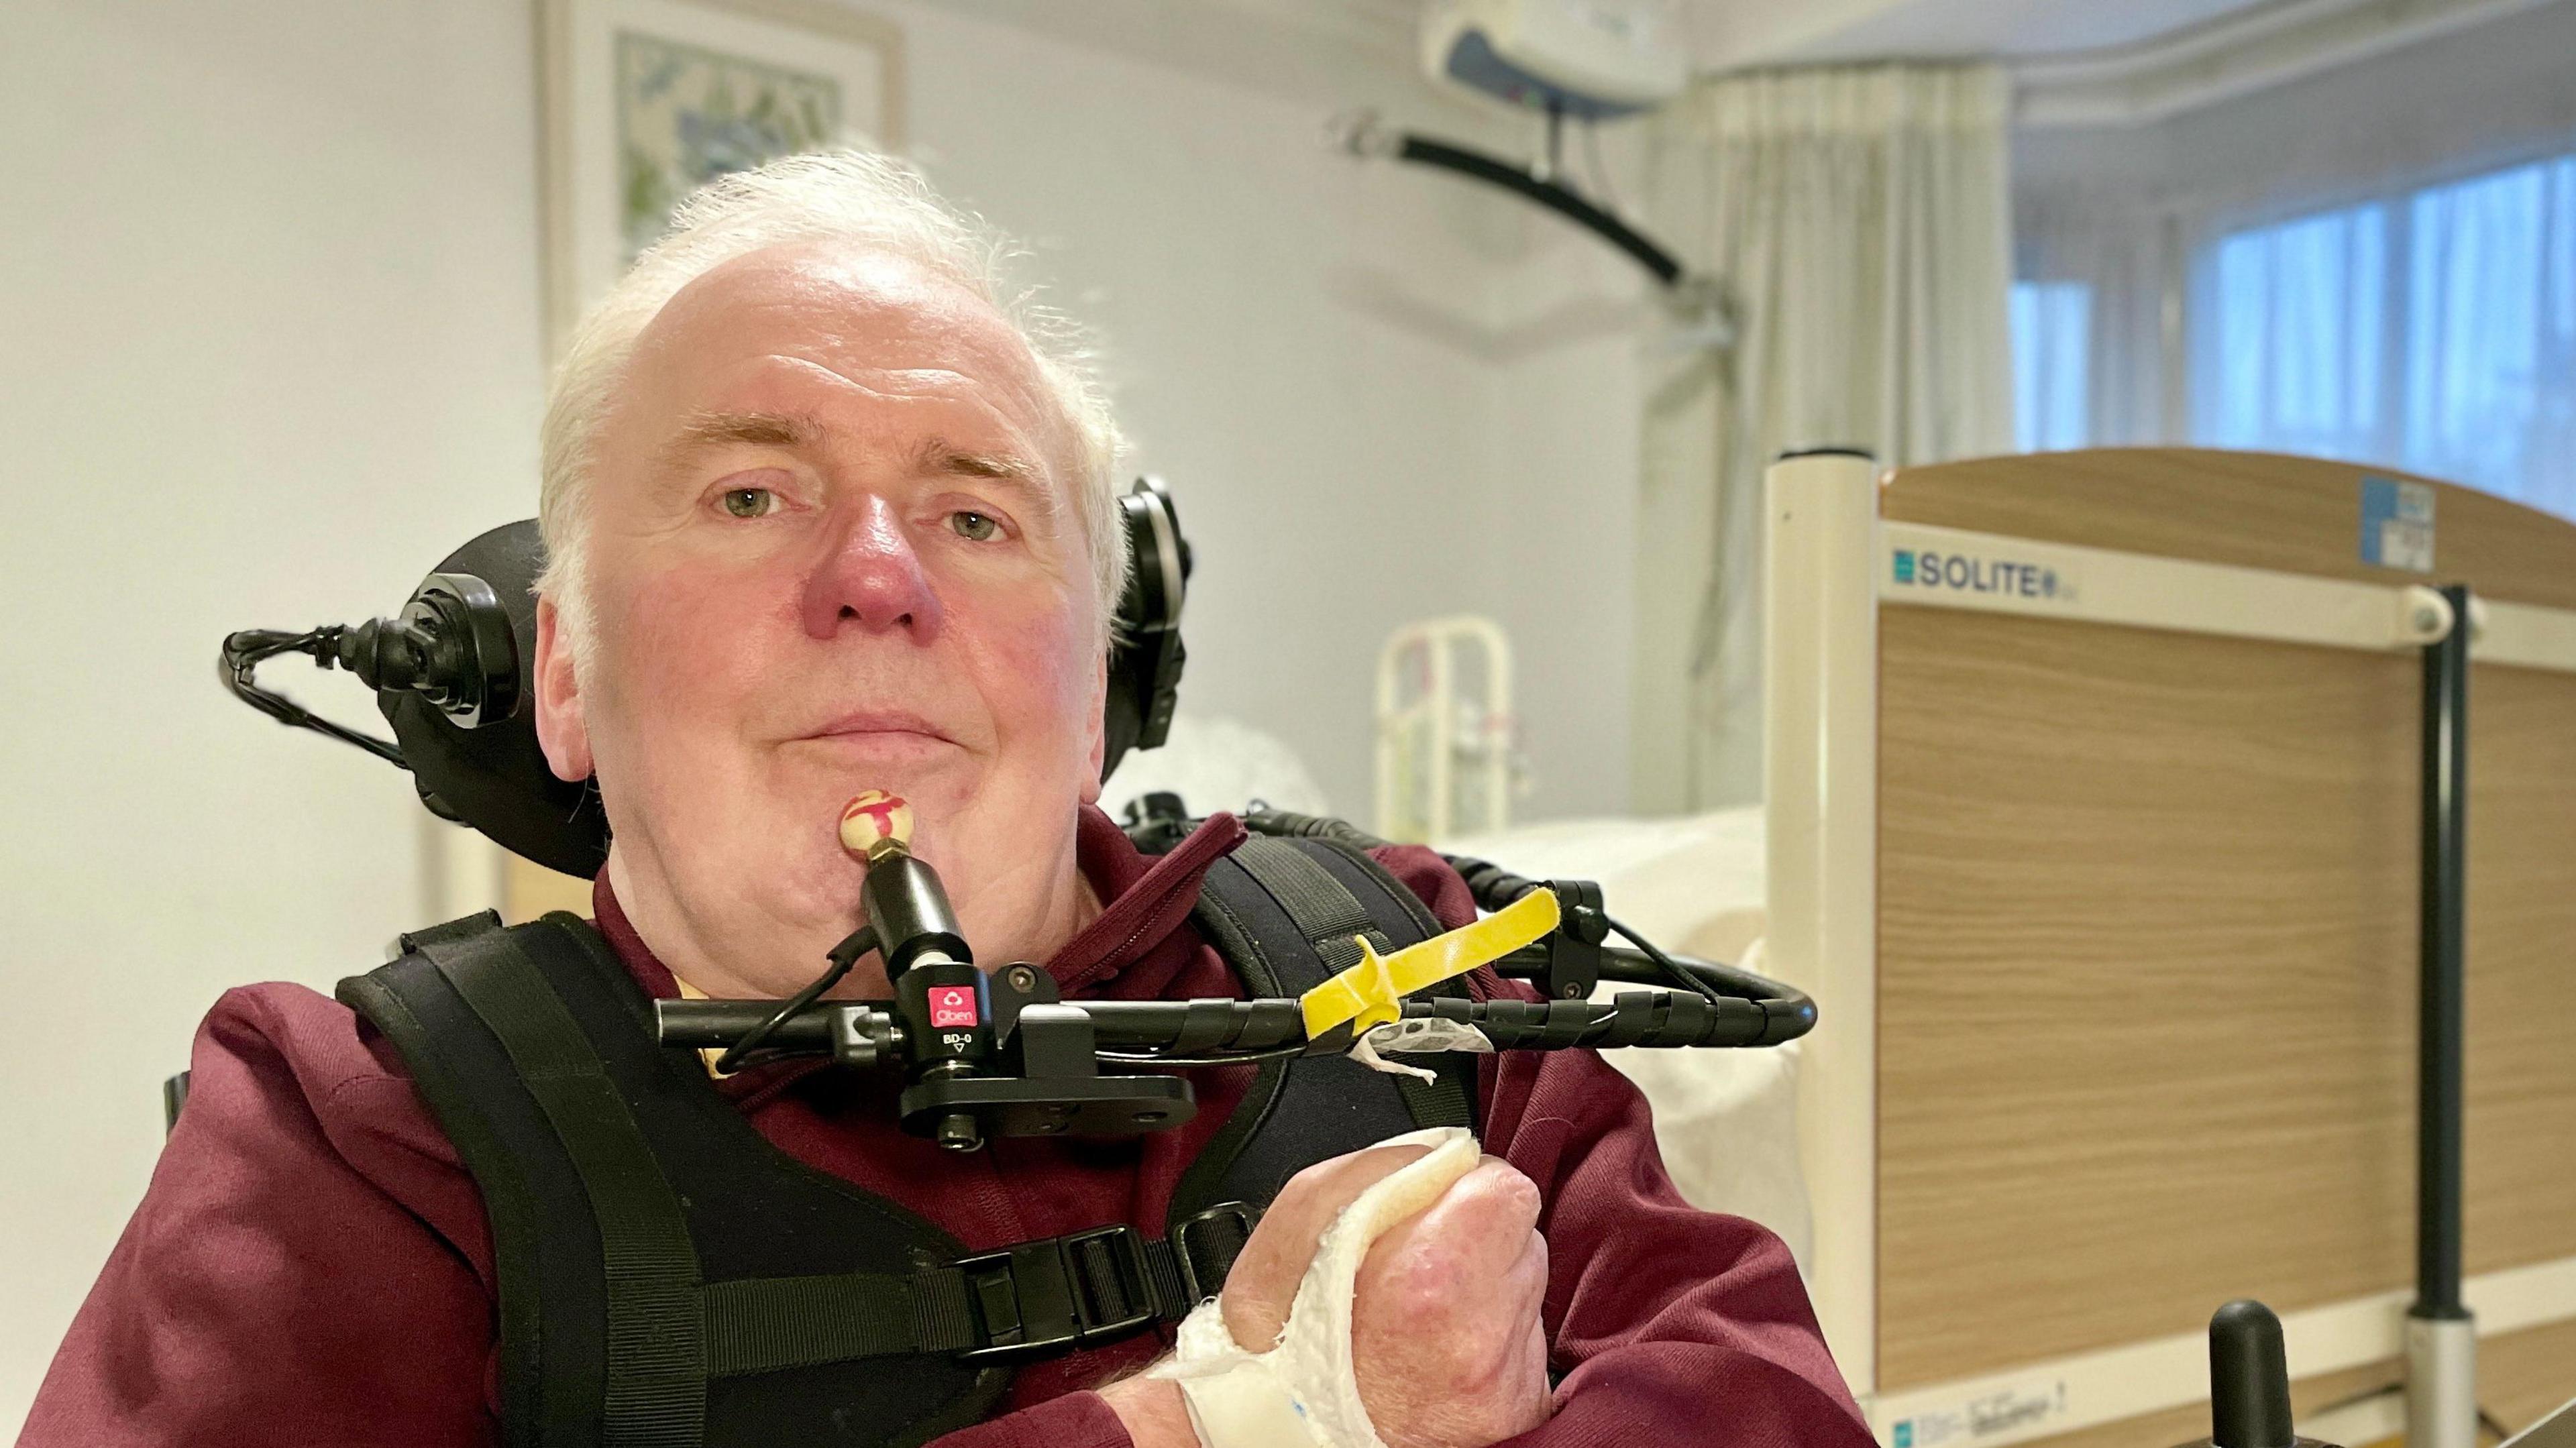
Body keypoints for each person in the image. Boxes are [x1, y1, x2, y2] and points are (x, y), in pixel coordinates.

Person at [22, 150, 1873, 1448]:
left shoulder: (1419, 976)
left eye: (977, 516)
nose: (877, 579)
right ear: (561, 673)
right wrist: (1251, 1418)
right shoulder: (364, 1136)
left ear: (1104, 683)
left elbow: (1766, 1409)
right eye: (753, 496)